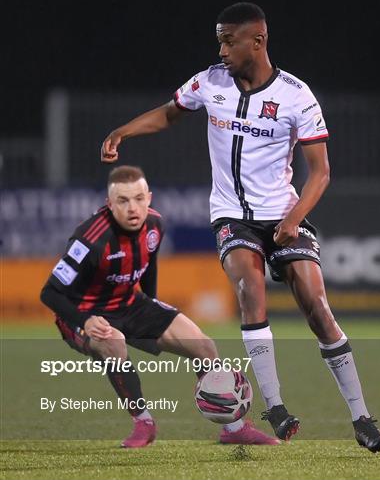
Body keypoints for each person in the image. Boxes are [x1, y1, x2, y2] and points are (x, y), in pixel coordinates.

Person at [100, 3, 380, 453]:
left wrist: (293, 220)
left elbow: (321, 173)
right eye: (218, 40)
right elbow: (169, 112)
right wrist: (123, 132)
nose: (220, 50)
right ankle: (274, 406)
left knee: (317, 306)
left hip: (282, 215)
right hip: (231, 215)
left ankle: (361, 417)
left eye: (227, 40)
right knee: (248, 287)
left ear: (256, 41)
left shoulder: (297, 96)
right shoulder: (209, 82)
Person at [40, 165, 278, 447]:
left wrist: (152, 306)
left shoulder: (155, 225)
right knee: (113, 342)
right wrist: (85, 320)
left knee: (203, 346)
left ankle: (234, 427)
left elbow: (148, 264)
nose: (133, 208)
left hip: (130, 303)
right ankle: (144, 423)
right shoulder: (90, 240)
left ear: (149, 198)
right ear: (109, 204)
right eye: (123, 200)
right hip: (84, 313)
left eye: (139, 198)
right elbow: (50, 293)